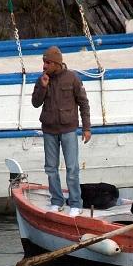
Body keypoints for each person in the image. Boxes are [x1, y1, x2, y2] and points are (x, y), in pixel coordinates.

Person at [32, 45, 91, 217]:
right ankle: (56, 201)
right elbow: (35, 103)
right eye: (43, 62)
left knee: (72, 168)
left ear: (56, 63)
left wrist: (86, 128)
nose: (44, 66)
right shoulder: (42, 79)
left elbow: (84, 103)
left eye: (47, 62)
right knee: (51, 168)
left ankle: (75, 203)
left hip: (68, 130)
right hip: (49, 130)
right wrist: (42, 87)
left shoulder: (72, 78)